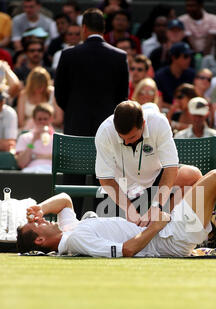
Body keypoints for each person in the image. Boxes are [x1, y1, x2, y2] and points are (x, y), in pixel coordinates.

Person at [17, 180, 216, 260]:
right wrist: (155, 226)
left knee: (195, 178)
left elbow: (65, 199)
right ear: (41, 240)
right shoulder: (76, 239)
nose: (44, 219)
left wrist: (39, 208)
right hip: (168, 238)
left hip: (166, 231)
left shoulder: (69, 231)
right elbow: (126, 251)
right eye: (38, 224)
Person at [95, 100, 202, 227]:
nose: (126, 142)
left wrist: (157, 206)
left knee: (192, 175)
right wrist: (129, 210)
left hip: (155, 181)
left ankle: (170, 227)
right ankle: (157, 227)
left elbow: (171, 168)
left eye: (131, 137)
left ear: (144, 124)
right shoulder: (105, 131)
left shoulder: (159, 122)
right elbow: (106, 179)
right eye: (122, 137)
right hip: (123, 189)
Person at [55, 8, 129, 136]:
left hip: (76, 124)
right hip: (108, 126)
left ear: (84, 28)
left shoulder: (68, 54)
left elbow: (60, 93)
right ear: (103, 29)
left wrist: (74, 109)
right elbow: (122, 96)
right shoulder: (119, 56)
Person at [174, 97, 216, 169]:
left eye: (200, 116)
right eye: (195, 115)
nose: (197, 119)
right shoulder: (179, 137)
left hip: (212, 178)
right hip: (186, 178)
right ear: (189, 113)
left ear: (206, 114)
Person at [15, 103, 54, 173]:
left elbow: (61, 160)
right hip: (31, 172)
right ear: (34, 120)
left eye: (45, 119)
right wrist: (33, 140)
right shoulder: (24, 137)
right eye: (39, 119)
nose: (42, 122)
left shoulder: (58, 138)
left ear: (51, 119)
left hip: (51, 172)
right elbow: (21, 163)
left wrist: (34, 157)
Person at [155, 42, 195, 108]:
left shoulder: (191, 74)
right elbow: (156, 99)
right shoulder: (160, 76)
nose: (189, 59)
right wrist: (174, 108)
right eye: (185, 56)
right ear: (174, 57)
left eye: (190, 56)